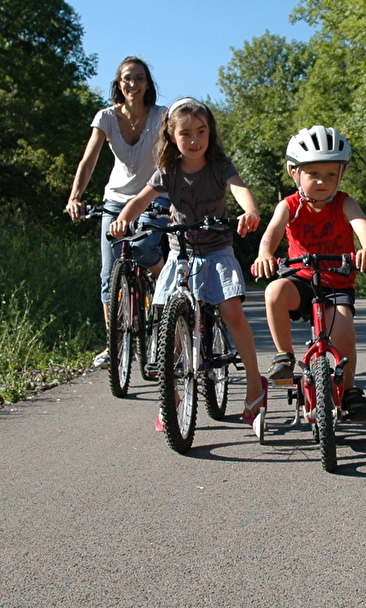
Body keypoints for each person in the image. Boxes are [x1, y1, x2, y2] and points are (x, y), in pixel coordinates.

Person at [109, 98, 268, 426]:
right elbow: (140, 200)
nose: (195, 140)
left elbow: (239, 189)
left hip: (217, 252)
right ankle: (172, 396)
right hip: (182, 253)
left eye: (202, 131)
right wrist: (123, 220)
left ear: (210, 132)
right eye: (186, 134)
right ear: (171, 136)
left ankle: (255, 382)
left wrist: (250, 211)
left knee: (231, 311)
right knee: (170, 324)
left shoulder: (219, 166)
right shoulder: (168, 171)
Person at [250, 126, 366, 422]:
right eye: (313, 174)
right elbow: (271, 233)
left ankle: (348, 391)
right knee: (274, 292)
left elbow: (361, 223)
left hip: (336, 282)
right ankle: (284, 356)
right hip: (302, 280)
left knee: (344, 330)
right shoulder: (290, 205)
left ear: (341, 175)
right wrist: (264, 255)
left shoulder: (344, 202)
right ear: (293, 172)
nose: (322, 181)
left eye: (331, 174)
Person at [66, 56, 170, 369]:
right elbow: (88, 161)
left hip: (155, 197)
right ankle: (114, 345)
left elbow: (175, 156)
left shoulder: (162, 116)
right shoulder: (106, 117)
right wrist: (75, 197)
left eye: (139, 78)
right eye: (127, 78)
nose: (132, 84)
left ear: (147, 83)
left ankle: (166, 292)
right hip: (115, 200)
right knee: (108, 274)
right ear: (118, 83)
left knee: (145, 248)